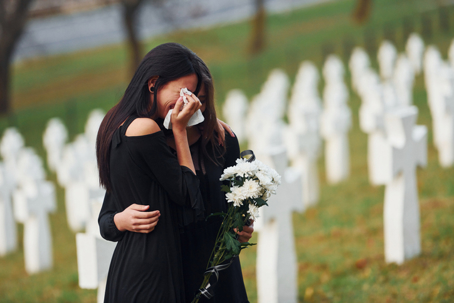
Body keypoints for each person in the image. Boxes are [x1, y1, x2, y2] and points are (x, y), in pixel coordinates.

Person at [97, 43, 253, 303]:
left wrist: (243, 225)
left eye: (198, 99)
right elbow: (107, 219)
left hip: (218, 273)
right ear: (153, 84)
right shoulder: (150, 141)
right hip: (173, 271)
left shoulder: (221, 141)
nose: (191, 106)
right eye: (186, 94)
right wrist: (120, 220)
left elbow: (235, 205)